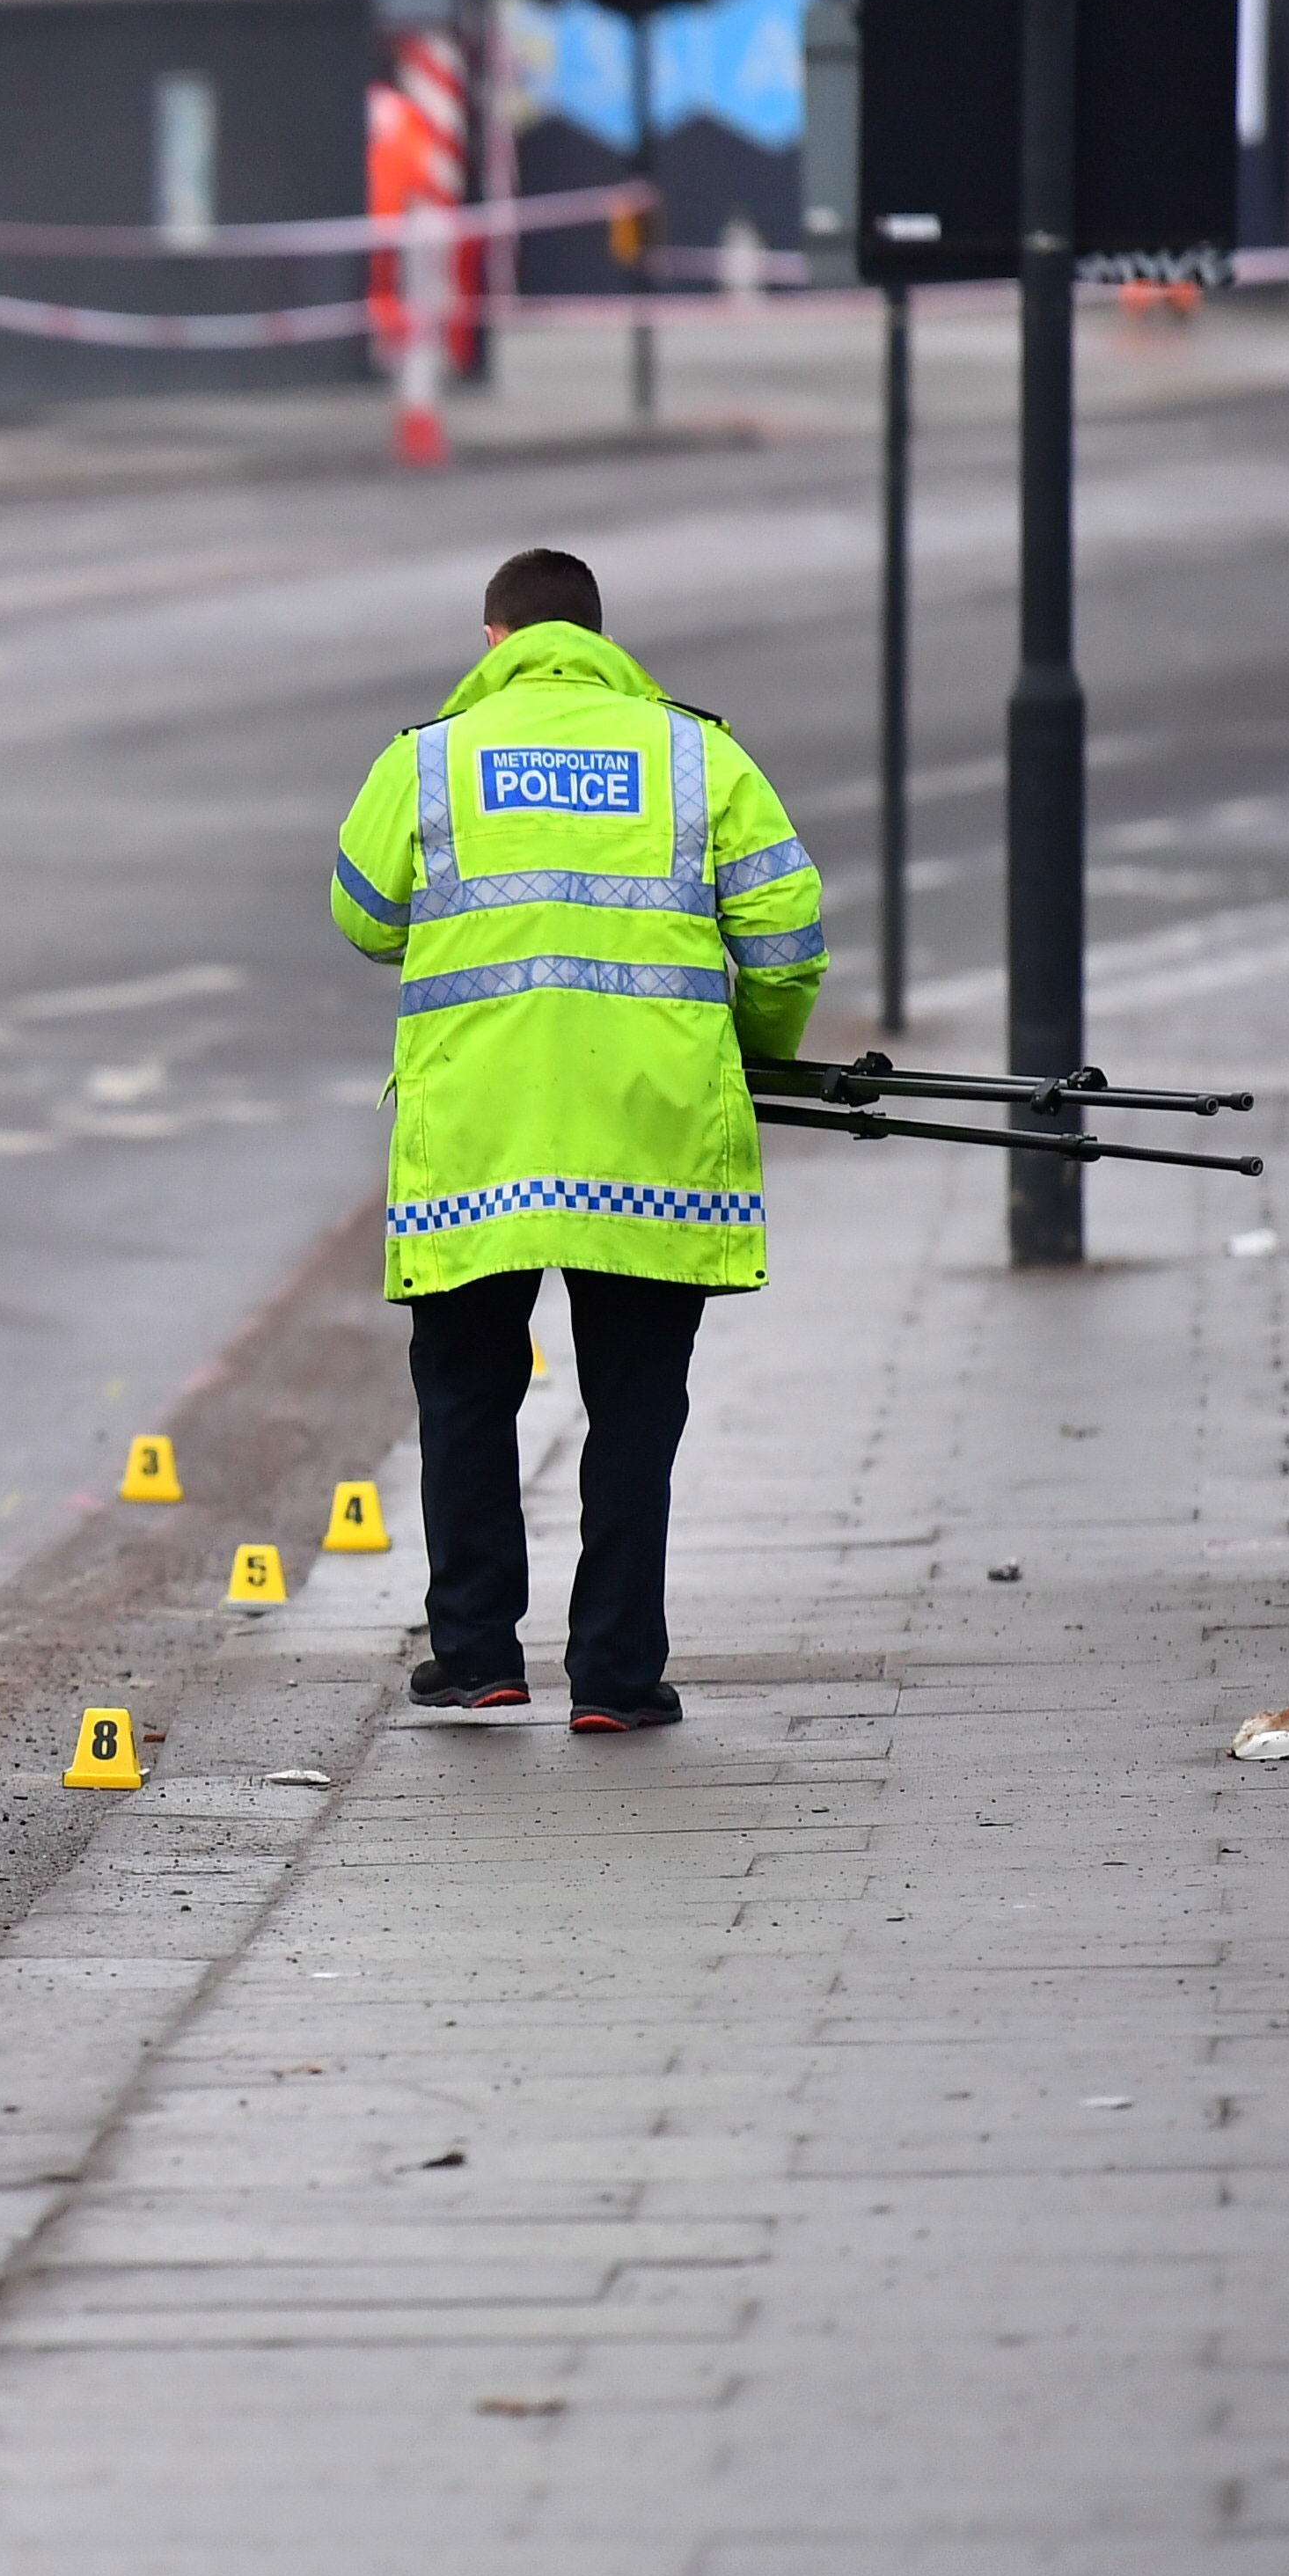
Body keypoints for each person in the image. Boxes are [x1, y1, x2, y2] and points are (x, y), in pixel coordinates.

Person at [329, 548, 827, 1731]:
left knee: (463, 1395)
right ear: (602, 641)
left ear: (493, 640)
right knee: (636, 1409)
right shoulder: (699, 754)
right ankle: (611, 1675)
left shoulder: (432, 760)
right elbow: (788, 937)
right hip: (647, 1145)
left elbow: (361, 913)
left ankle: (479, 1652)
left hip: (479, 1147)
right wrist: (753, 1048)